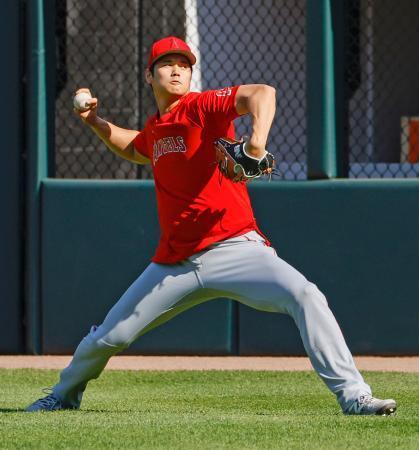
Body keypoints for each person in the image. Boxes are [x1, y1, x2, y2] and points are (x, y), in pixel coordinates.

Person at [26, 36, 396, 415]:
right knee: (109, 336)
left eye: (184, 64)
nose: (176, 70)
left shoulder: (202, 106)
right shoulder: (157, 126)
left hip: (236, 247)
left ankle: (355, 396)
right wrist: (94, 121)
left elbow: (262, 93)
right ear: (148, 76)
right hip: (175, 264)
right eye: (167, 63)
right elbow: (136, 147)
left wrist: (255, 143)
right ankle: (63, 395)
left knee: (306, 295)